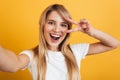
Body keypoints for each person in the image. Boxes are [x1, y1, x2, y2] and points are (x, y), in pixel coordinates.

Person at [0, 4, 120, 80]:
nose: (57, 30)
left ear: (68, 29)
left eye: (63, 25)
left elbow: (114, 44)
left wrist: (91, 31)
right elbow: (12, 64)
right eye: (51, 22)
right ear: (42, 26)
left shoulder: (75, 51)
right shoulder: (32, 56)